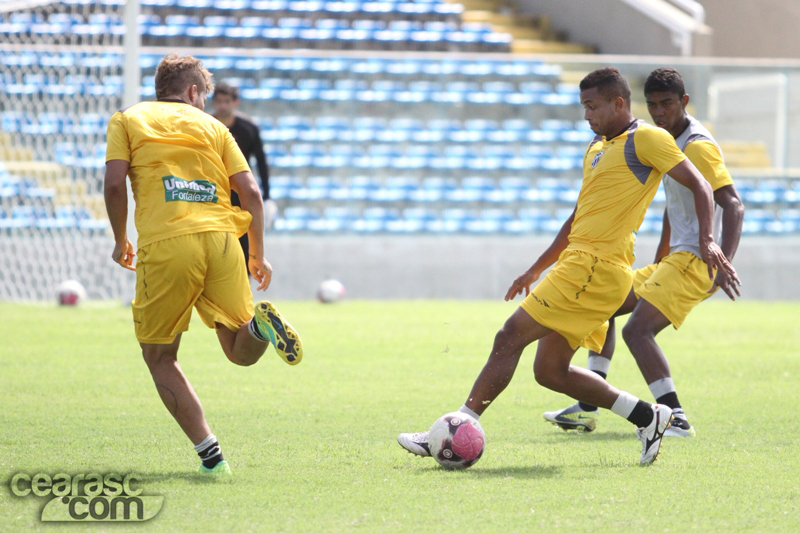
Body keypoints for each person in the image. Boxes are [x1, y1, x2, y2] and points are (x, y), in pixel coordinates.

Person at [398, 67, 740, 466]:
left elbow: (701, 184)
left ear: (618, 103)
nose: (586, 115)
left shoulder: (648, 138)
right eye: (583, 107)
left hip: (596, 268)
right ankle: (649, 417)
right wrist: (536, 268)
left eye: (592, 106)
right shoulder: (597, 146)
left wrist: (708, 240)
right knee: (550, 372)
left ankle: (454, 430)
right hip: (583, 265)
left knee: (509, 336)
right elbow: (578, 216)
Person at [103, 54, 303, 475]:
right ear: (194, 92)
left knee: (160, 356)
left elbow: (114, 184)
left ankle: (212, 458)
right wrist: (257, 254)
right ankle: (259, 327)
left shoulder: (127, 119)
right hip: (223, 241)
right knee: (240, 352)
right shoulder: (215, 127)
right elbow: (251, 192)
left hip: (169, 244)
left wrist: (121, 239)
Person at [543, 67, 744, 437]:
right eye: (653, 105)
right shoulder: (663, 141)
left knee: (637, 331)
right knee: (604, 303)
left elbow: (732, 204)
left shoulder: (696, 145)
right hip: (676, 260)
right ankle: (588, 405)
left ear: (684, 101)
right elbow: (674, 206)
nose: (659, 112)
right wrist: (661, 259)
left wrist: (721, 260)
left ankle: (676, 418)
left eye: (667, 104)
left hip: (697, 260)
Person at [210, 82, 276, 269]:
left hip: (240, 192)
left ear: (235, 103)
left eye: (227, 101)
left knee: (244, 244)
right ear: (214, 102)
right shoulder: (205, 126)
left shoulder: (248, 128)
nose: (223, 106)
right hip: (213, 192)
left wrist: (267, 196)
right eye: (220, 101)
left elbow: (261, 163)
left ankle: (245, 282)